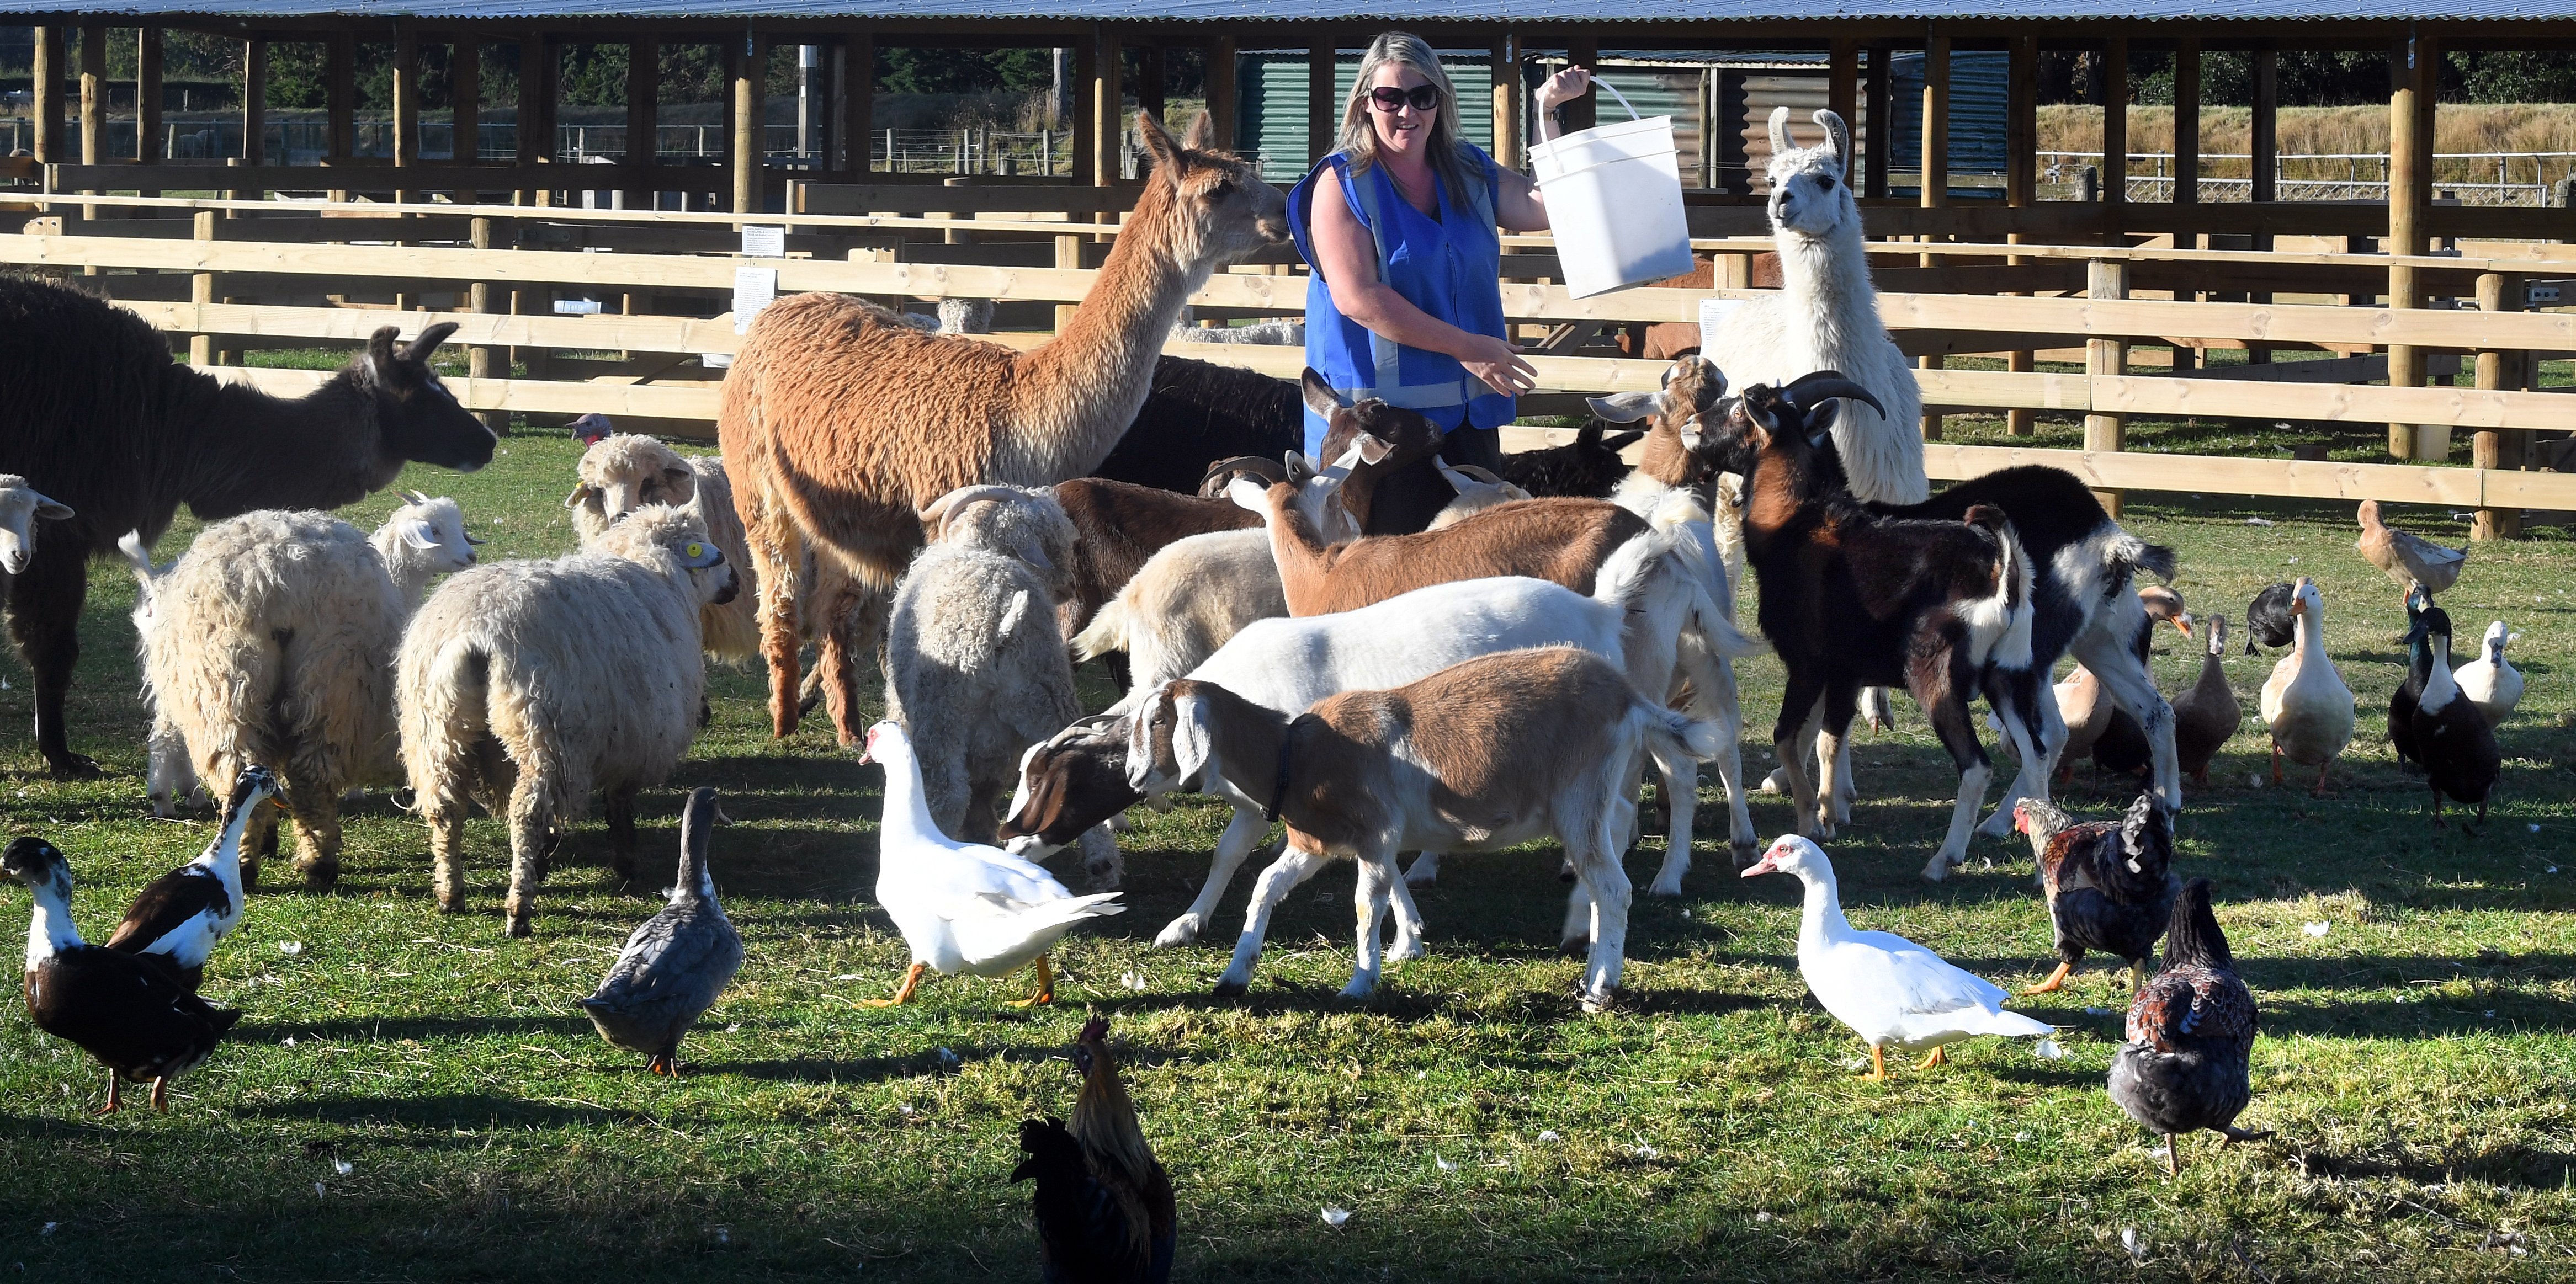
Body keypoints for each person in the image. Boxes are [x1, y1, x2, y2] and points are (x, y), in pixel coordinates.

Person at [1289, 33, 1592, 532]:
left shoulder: (1467, 169)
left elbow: (1548, 206)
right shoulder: (1340, 184)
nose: (1406, 111)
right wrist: (1467, 347)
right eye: (1390, 97)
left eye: (1421, 96)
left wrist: (1548, 110)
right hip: (1375, 436)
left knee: (1477, 579)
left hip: (1468, 427)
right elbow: (1357, 297)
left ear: (1439, 102)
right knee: (1384, 591)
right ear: (1366, 103)